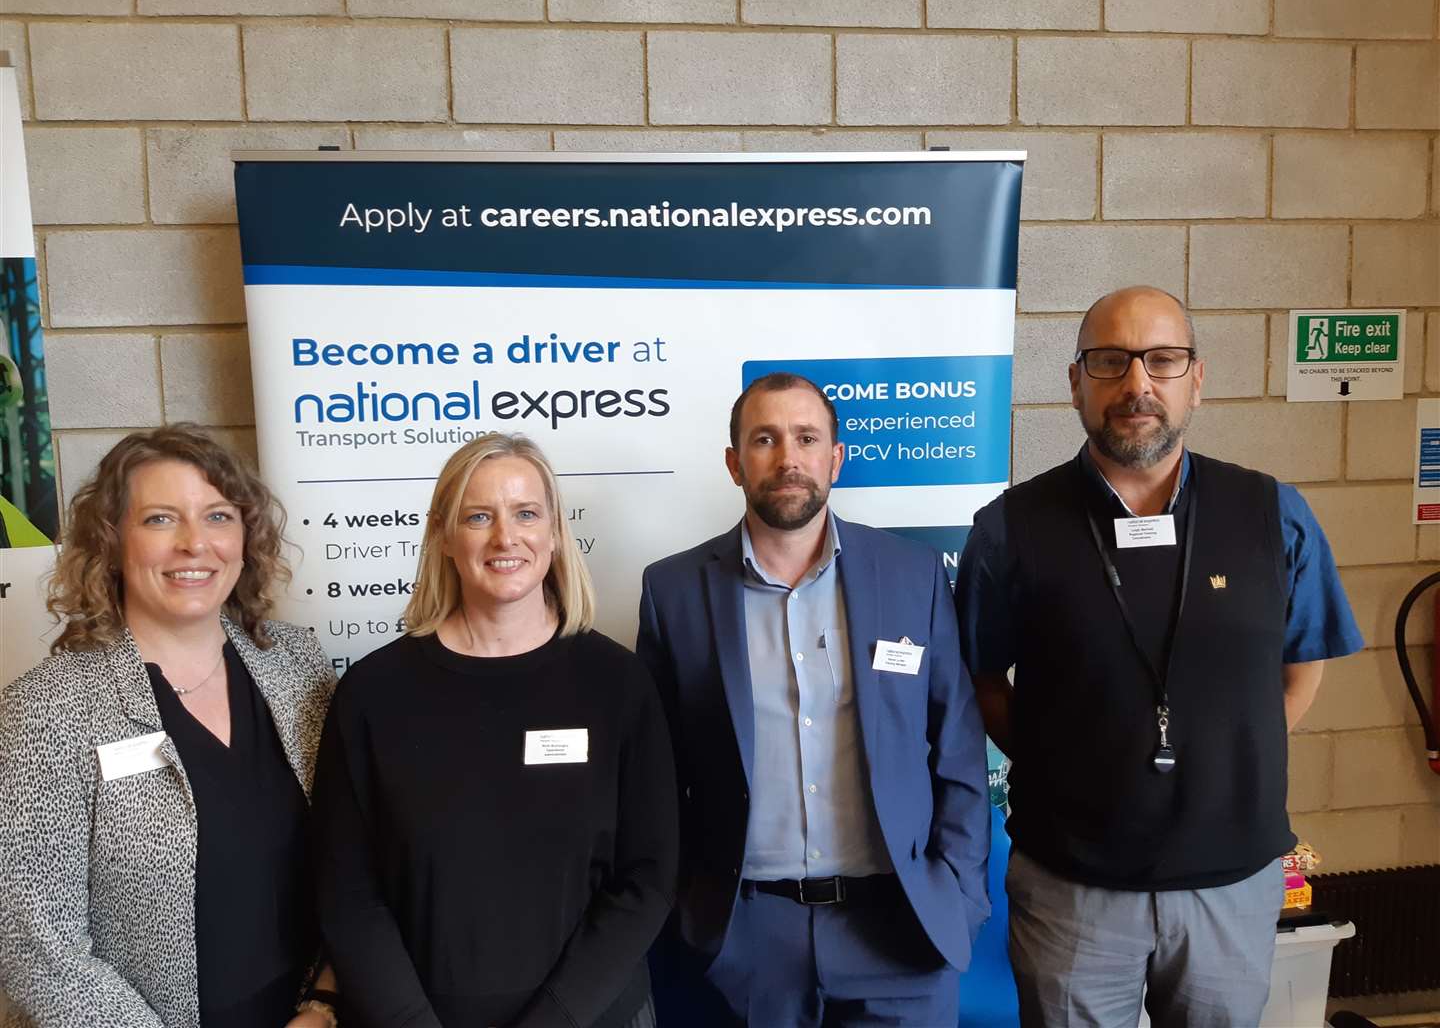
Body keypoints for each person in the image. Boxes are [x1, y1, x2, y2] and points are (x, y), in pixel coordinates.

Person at [955, 286, 1364, 1027]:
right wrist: (1061, 762)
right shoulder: (1011, 528)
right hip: (1070, 888)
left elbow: (1304, 662)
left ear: (1195, 381)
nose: (1137, 384)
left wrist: (1230, 757)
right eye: (1110, 362)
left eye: (1162, 360)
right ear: (1076, 383)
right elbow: (981, 679)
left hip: (1231, 887)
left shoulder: (1274, 514)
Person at [637, 372, 990, 1027]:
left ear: (835, 458)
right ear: (734, 463)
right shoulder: (674, 592)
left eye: (806, 438)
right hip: (748, 941)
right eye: (764, 439)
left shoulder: (912, 575)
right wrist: (688, 904)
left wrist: (960, 892)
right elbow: (655, 777)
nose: (788, 457)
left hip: (902, 930)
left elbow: (959, 748)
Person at [311, 432, 677, 1028]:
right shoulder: (372, 695)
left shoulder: (617, 684)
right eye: (479, 516)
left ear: (555, 532)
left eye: (526, 513)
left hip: (588, 1017)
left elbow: (648, 880)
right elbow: (348, 893)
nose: (506, 537)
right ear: (443, 534)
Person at [0, 424, 339, 1027]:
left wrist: (323, 1004)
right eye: (160, 519)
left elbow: (352, 857)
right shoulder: (49, 709)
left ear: (245, 536)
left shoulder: (297, 667)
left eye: (217, 516)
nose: (194, 544)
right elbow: (35, 947)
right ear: (110, 542)